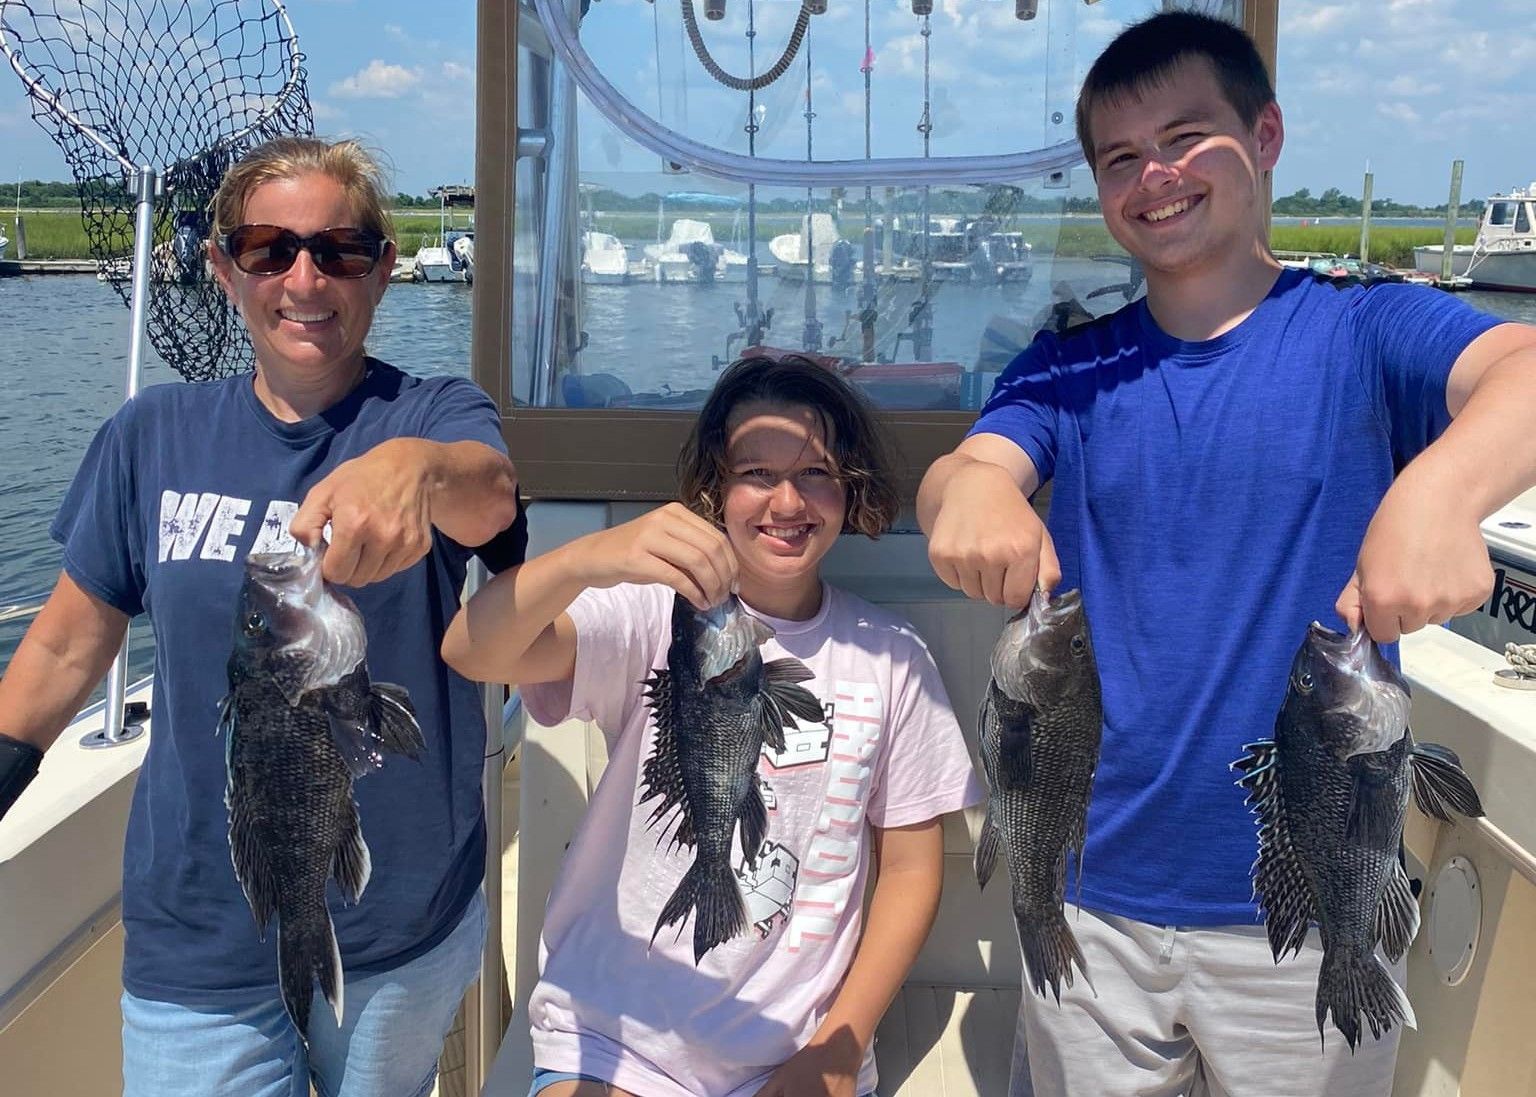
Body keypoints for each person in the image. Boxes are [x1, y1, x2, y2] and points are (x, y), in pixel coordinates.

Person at [917, 12, 1536, 1097]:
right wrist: (967, 493)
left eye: (1185, 135)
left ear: (1265, 135)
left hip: (1314, 887)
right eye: (1119, 157)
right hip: (1090, 888)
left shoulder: (1365, 330)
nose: (1154, 174)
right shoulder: (1070, 369)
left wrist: (1439, 493)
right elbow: (965, 471)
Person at [0, 136, 524, 1097]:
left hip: (398, 926)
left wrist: (420, 468)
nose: (305, 278)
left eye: (340, 250)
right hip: (197, 931)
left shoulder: (438, 411)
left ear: (383, 268)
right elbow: (72, 639)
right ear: (223, 268)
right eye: (268, 250)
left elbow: (492, 498)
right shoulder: (150, 435)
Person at [443, 354, 981, 1097]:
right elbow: (472, 648)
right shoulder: (646, 613)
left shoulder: (890, 658)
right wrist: (591, 558)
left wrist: (834, 1048)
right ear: (712, 490)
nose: (786, 500)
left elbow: (913, 868)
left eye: (816, 472)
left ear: (850, 491)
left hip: (800, 1051)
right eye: (755, 472)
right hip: (614, 1034)